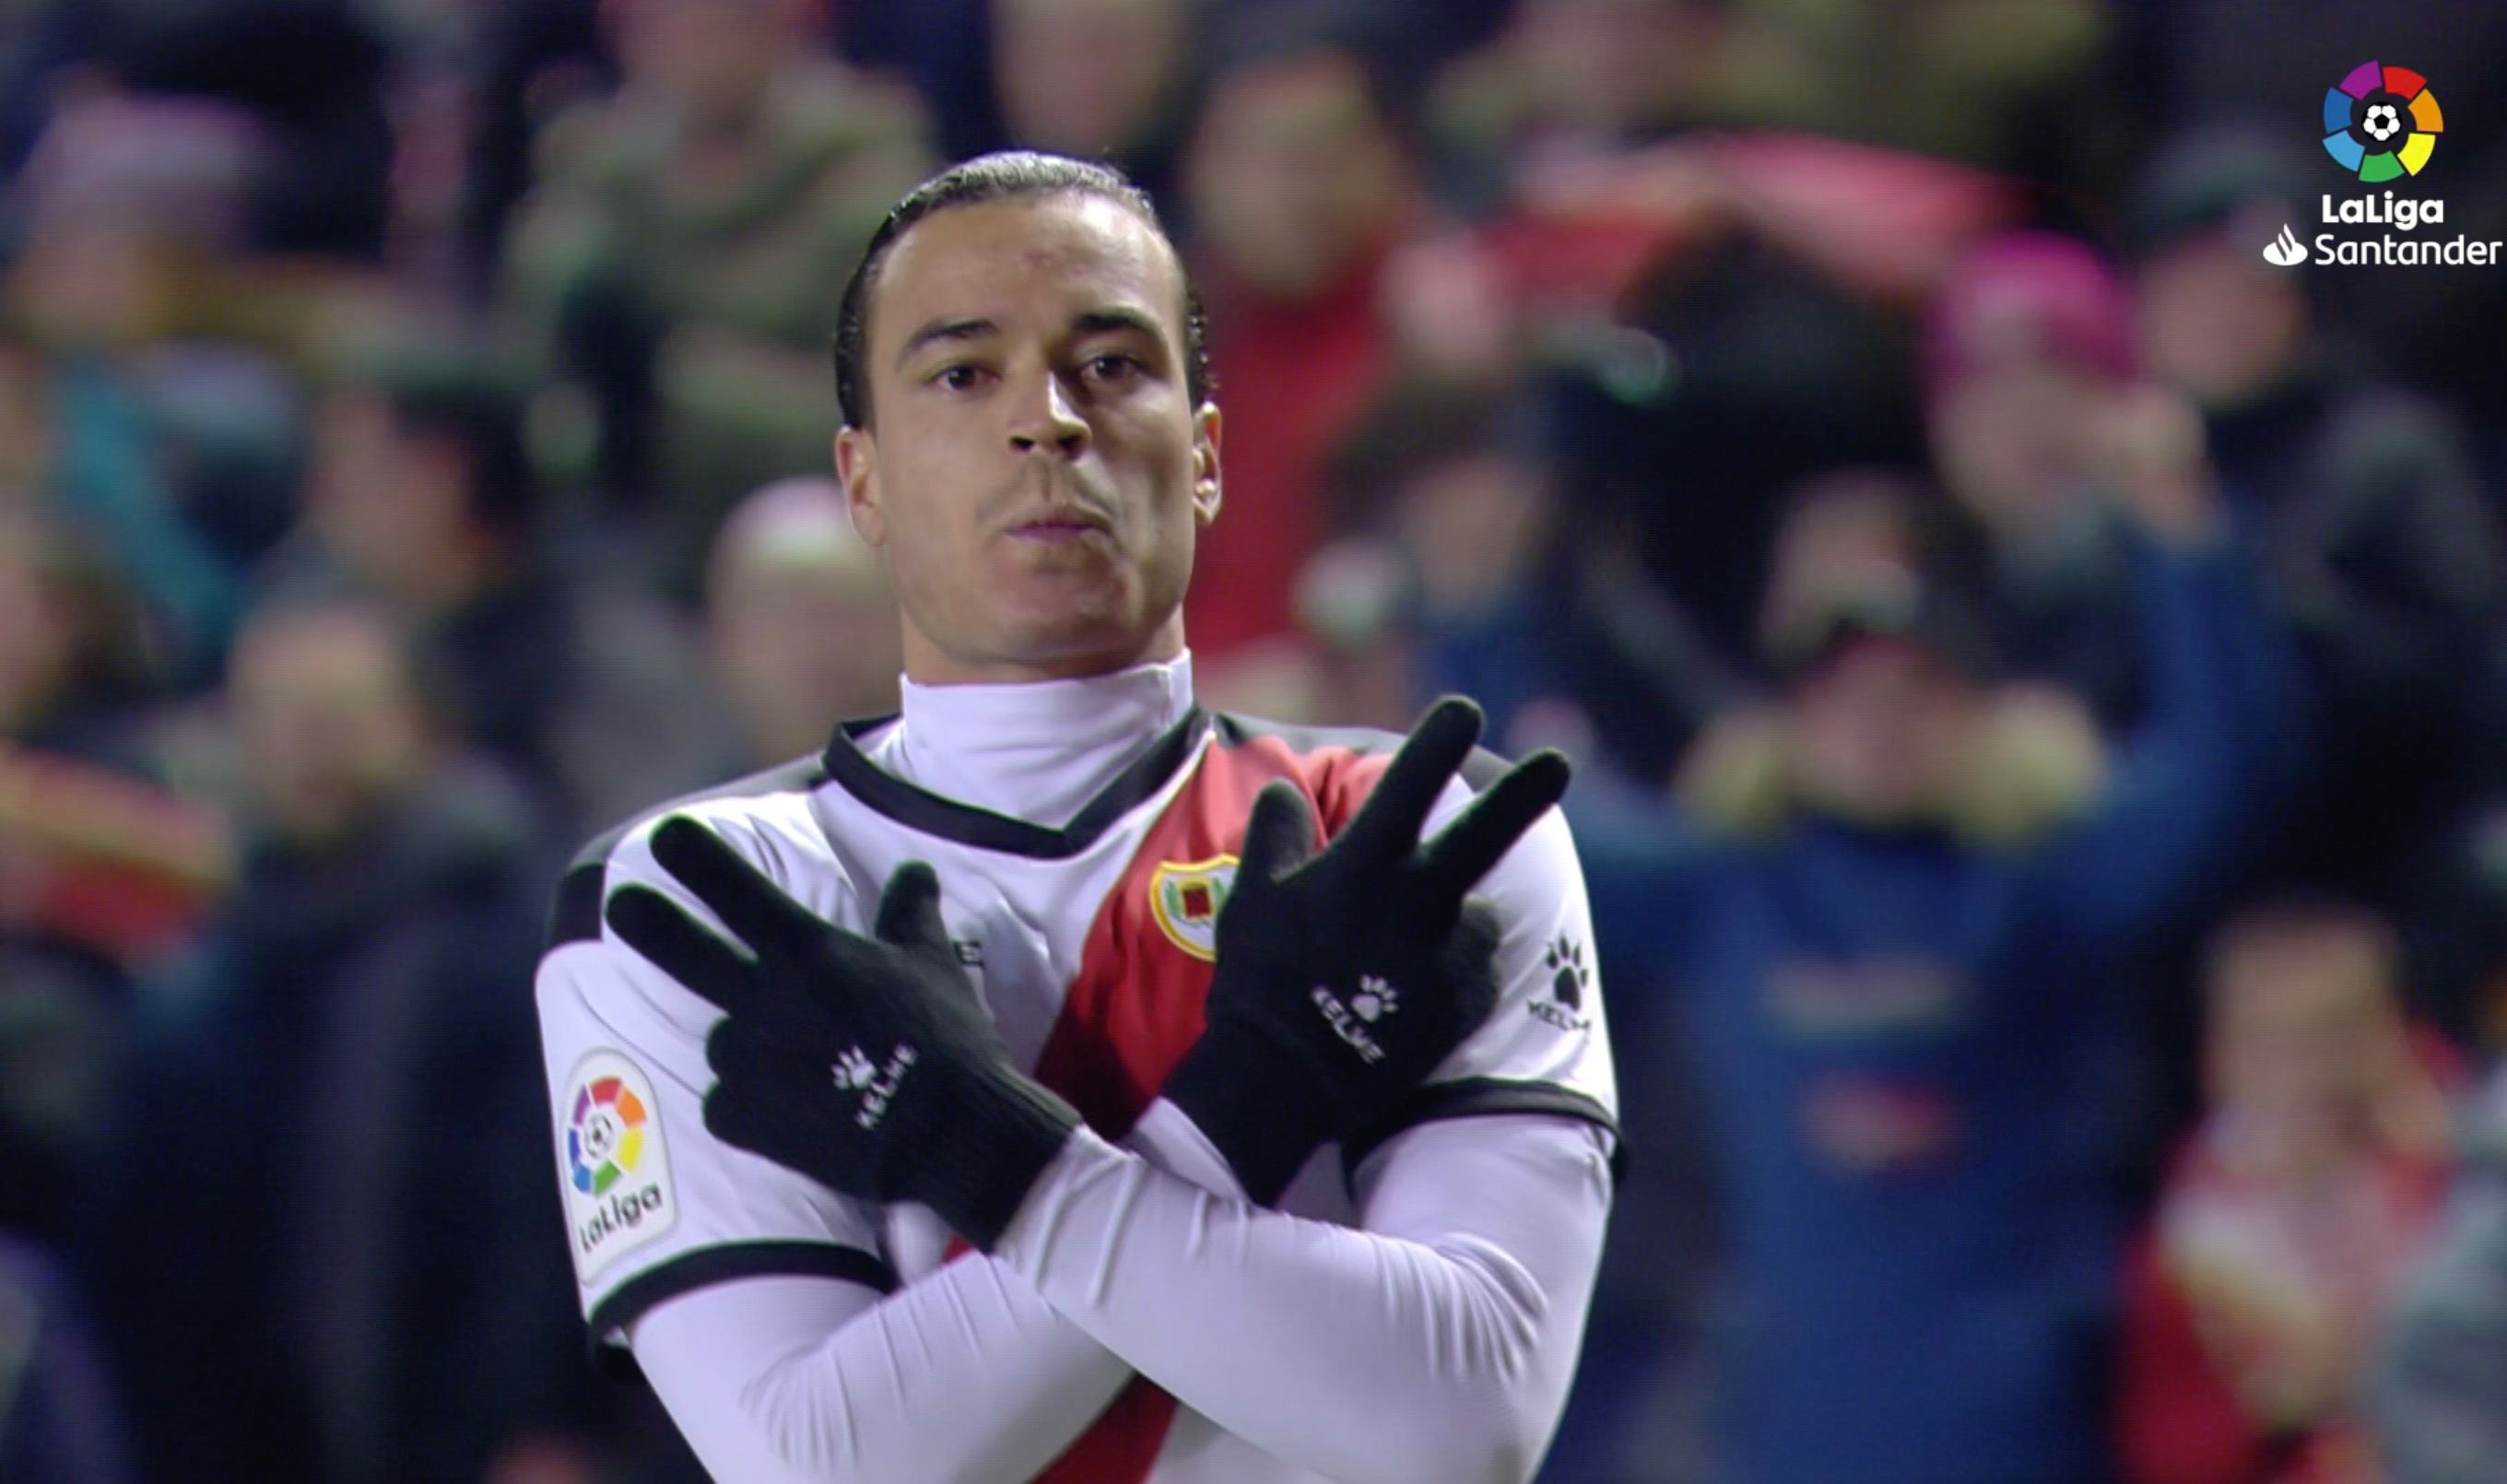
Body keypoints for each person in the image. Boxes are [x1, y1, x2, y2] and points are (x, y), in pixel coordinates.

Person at [534, 151, 1618, 1484]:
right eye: (961, 373)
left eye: (1109, 364)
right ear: (861, 480)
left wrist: (975, 1150)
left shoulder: (1422, 829)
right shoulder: (700, 894)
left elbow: (1462, 1424)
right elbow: (820, 1463)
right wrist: (1255, 1095)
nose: (1046, 420)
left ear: (1208, 453)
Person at [1567, 396, 2300, 1484]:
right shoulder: (1719, 888)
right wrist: (1485, 596)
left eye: (1916, 689)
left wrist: (2181, 545)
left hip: (2017, 1426)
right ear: (1787, 718)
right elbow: (1497, 820)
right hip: (1790, 1427)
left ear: (1973, 710)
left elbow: (2227, 769)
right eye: (1841, 693)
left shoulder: (2039, 885)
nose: (1877, 719)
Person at [88, 602, 606, 1484]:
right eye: (278, 719)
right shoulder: (205, 982)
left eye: (338, 715)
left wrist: (553, 1420)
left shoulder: (518, 944)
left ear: (422, 728)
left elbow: (556, 1209)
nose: (310, 747)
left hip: (468, 1440)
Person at [2119, 901, 2457, 1484]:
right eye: (2271, 1043)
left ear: (2395, 1030)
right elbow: (2162, 1453)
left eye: (2337, 1033)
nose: (2308, 1072)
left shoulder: (2469, 1175)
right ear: (2217, 1060)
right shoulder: (2185, 1249)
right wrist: (2270, 1407)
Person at [703, 476, 900, 770]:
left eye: (842, 610)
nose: (814, 645)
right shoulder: (669, 811)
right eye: (780, 613)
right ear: (722, 639)